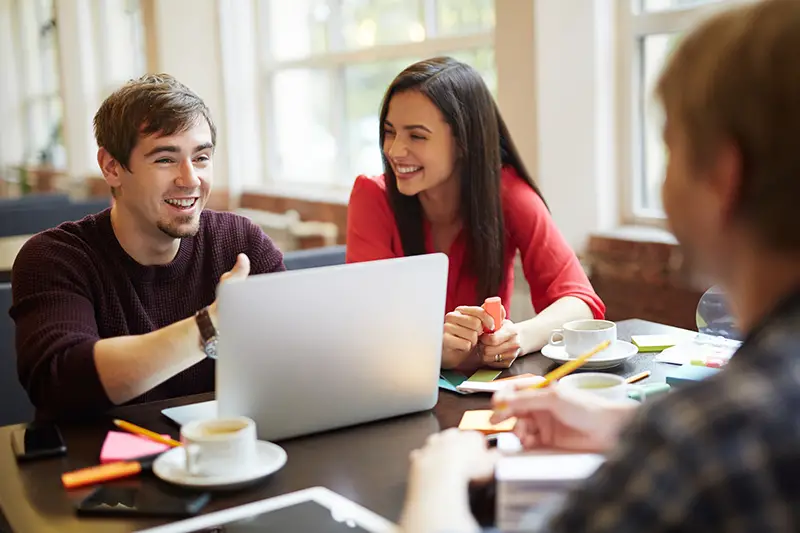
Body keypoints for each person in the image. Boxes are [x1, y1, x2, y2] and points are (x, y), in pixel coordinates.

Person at [400, 0, 800, 531]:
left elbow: (580, 297)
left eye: (669, 148)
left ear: (724, 177)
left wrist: (440, 474)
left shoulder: (700, 442)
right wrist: (624, 421)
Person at [10, 74, 285, 420]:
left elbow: (292, 358)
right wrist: (211, 324)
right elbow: (60, 380)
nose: (190, 179)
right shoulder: (55, 257)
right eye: (165, 159)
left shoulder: (241, 242)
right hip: (99, 465)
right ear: (112, 167)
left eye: (201, 158)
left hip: (220, 456)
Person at [346, 57, 605, 371]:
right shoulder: (372, 197)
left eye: (416, 136)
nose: (395, 150)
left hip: (485, 396)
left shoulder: (509, 195)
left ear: (463, 141)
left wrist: (518, 336)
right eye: (390, 132)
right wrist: (431, 349)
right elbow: (365, 327)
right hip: (398, 388)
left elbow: (581, 303)